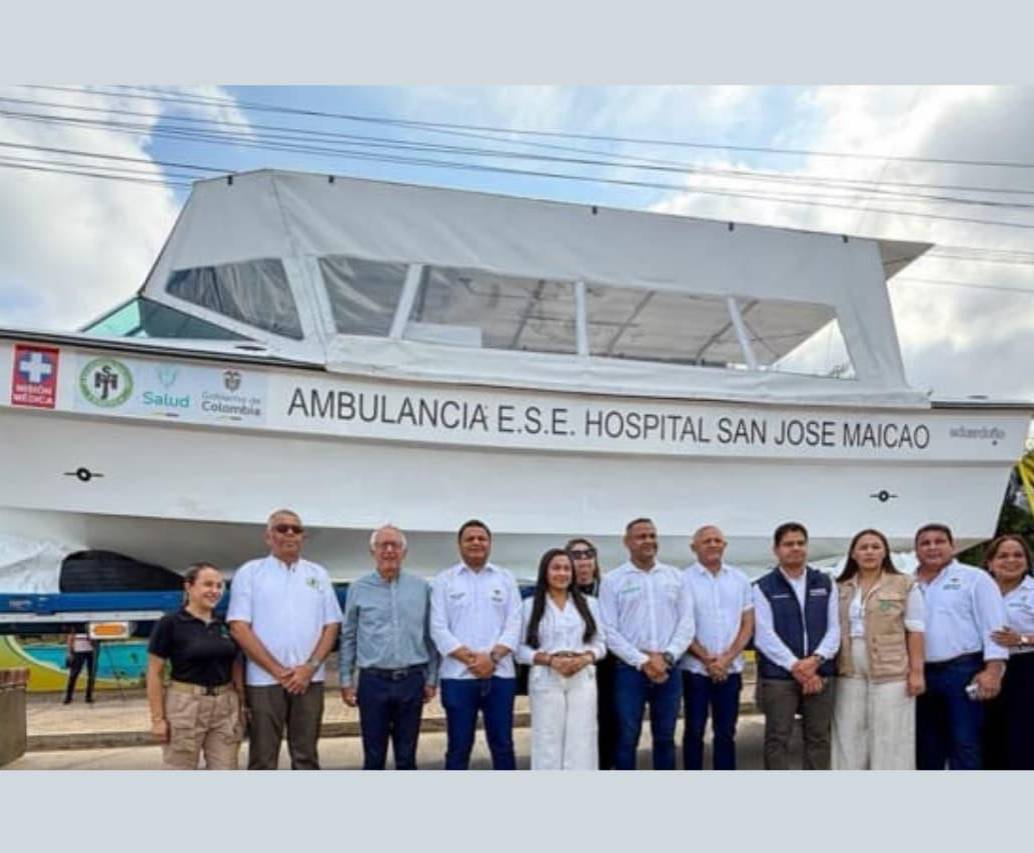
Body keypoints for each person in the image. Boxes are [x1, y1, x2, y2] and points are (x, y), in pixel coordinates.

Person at [227, 509, 342, 770]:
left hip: (309, 680)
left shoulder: (318, 574)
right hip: (264, 681)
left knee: (306, 756)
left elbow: (332, 625)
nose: (290, 533)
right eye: (282, 528)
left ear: (303, 537)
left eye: (296, 529)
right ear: (268, 536)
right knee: (263, 758)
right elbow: (239, 627)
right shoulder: (251, 573)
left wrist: (309, 667)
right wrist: (279, 671)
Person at [339, 525, 438, 770]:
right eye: (383, 545)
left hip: (411, 680)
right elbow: (349, 635)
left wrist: (432, 678)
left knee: (407, 756)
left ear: (404, 552)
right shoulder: (358, 588)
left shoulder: (421, 588)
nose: (389, 550)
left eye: (395, 545)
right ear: (372, 551)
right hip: (373, 682)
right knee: (373, 756)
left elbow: (430, 635)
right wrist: (345, 680)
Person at [599, 518, 695, 770]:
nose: (649, 541)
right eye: (641, 536)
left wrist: (667, 657)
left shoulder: (675, 577)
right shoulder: (613, 580)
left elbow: (686, 624)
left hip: (668, 670)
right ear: (627, 542)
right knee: (627, 737)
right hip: (629, 671)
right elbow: (609, 631)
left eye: (652, 535)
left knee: (665, 737)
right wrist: (643, 661)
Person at [914, 523, 1008, 770]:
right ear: (916, 550)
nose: (932, 547)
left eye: (939, 541)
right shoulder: (908, 583)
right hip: (920, 674)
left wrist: (993, 670)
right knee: (926, 745)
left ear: (952, 546)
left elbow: (994, 626)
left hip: (963, 670)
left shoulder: (974, 578)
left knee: (964, 742)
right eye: (925, 542)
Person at [430, 519, 522, 770]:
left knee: (503, 744)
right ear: (459, 545)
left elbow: (515, 624)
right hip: (457, 677)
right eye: (469, 539)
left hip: (500, 675)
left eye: (481, 538)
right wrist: (471, 660)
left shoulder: (505, 578)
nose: (476, 543)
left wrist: (491, 659)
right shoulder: (444, 580)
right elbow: (438, 628)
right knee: (458, 746)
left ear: (490, 544)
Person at [831, 529, 925, 770]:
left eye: (875, 546)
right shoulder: (840, 586)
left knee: (891, 733)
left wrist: (916, 672)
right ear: (853, 553)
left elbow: (915, 630)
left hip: (891, 667)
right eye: (863, 547)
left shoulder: (905, 584)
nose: (869, 552)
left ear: (885, 552)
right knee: (848, 732)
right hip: (849, 666)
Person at [752, 521, 840, 770]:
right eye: (788, 544)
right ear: (776, 550)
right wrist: (796, 667)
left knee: (819, 738)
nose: (795, 548)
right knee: (778, 738)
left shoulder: (824, 582)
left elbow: (835, 628)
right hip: (779, 677)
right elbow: (764, 635)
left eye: (800, 543)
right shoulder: (763, 586)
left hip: (820, 673)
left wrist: (815, 661)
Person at [146, 562, 245, 770]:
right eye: (207, 585)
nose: (214, 591)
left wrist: (242, 704)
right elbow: (155, 673)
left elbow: (235, 664)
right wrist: (157, 719)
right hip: (185, 706)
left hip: (224, 706)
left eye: (219, 586)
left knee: (226, 768)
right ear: (189, 587)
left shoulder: (224, 625)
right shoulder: (170, 623)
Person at [518, 548, 606, 769]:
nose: (562, 573)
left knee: (582, 738)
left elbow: (601, 644)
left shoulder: (589, 604)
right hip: (546, 676)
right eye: (556, 568)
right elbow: (519, 649)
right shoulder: (530, 606)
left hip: (582, 677)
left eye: (567, 568)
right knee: (547, 739)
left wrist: (586, 658)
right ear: (544, 572)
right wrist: (550, 660)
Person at [680, 525, 754, 770]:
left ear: (724, 545)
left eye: (717, 540)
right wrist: (707, 659)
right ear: (694, 548)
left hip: (730, 670)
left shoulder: (740, 579)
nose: (713, 545)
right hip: (695, 671)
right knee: (694, 731)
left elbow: (747, 623)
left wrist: (726, 659)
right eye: (706, 541)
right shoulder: (683, 580)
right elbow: (680, 626)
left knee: (726, 732)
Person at [982, 534, 1034, 770]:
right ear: (990, 562)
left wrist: (1021, 639)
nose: (1011, 560)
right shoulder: (979, 589)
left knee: (1021, 737)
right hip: (983, 668)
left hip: (1024, 670)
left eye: (1018, 555)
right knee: (987, 735)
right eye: (1003, 556)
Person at [567, 536, 619, 770]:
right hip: (570, 670)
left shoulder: (608, 589)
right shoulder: (558, 593)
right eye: (576, 556)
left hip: (605, 668)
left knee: (607, 723)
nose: (583, 560)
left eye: (588, 554)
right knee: (575, 727)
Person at [63, 629, 96, 704]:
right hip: (78, 652)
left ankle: (88, 696)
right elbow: (70, 640)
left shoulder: (90, 627)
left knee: (91, 675)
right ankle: (68, 697)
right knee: (74, 674)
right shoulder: (75, 628)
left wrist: (92, 640)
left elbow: (95, 640)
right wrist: (69, 652)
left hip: (90, 651)